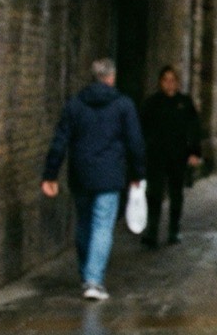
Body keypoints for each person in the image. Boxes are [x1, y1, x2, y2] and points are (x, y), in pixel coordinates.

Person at [42, 58, 145, 302]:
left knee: (84, 223)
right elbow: (135, 142)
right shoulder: (123, 105)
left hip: (81, 174)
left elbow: (60, 141)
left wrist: (50, 174)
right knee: (102, 226)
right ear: (111, 77)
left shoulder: (75, 105)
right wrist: (137, 173)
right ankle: (93, 280)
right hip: (109, 176)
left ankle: (86, 273)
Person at [138, 66, 202, 248]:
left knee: (176, 193)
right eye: (165, 79)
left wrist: (194, 152)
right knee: (154, 193)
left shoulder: (185, 103)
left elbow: (194, 129)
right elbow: (143, 128)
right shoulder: (152, 103)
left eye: (172, 79)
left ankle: (174, 229)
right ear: (160, 82)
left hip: (178, 155)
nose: (169, 83)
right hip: (156, 155)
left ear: (177, 82)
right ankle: (152, 230)